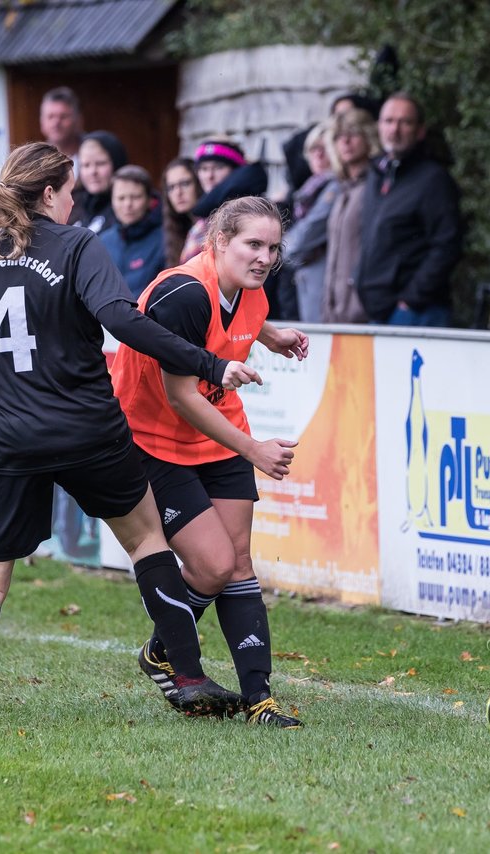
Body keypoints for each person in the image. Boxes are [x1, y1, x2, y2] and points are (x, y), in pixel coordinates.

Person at [0, 142, 262, 735]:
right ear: (50, 193)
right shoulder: (77, 243)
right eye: (70, 190)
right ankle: (185, 674)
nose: (76, 200)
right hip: (85, 427)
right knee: (147, 541)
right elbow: (123, 319)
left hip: (7, 436)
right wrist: (208, 364)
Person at [111, 196, 310, 728]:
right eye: (253, 244)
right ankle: (165, 651)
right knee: (213, 565)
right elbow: (181, 397)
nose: (265, 257)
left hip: (219, 433)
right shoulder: (182, 294)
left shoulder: (247, 283)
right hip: (155, 439)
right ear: (219, 241)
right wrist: (255, 451)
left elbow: (243, 314)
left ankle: (259, 700)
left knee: (239, 562)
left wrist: (274, 334)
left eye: (273, 247)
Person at [355, 92, 462, 326]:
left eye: (405, 122)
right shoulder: (376, 175)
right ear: (379, 126)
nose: (395, 129)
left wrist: (411, 300)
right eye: (389, 121)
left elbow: (447, 245)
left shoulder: (434, 180)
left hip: (416, 313)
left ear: (420, 131)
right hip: (378, 311)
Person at [322, 108, 379, 323]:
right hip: (335, 311)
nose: (345, 141)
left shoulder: (374, 185)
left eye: (353, 133)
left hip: (362, 311)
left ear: (368, 136)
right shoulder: (342, 188)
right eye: (338, 136)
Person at [282, 120, 337, 322]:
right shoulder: (310, 189)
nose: (319, 155)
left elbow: (307, 233)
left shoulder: (336, 187)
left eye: (325, 148)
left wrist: (282, 247)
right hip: (308, 280)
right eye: (313, 149)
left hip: (323, 283)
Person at [99, 165, 165, 298]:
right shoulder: (101, 241)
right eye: (121, 198)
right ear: (112, 201)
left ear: (149, 200)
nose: (128, 204)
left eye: (135, 197)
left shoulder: (166, 239)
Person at [69, 130, 126, 234]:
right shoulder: (71, 206)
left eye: (100, 163)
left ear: (117, 163)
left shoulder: (127, 208)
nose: (93, 172)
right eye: (86, 165)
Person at [161, 157, 199, 267]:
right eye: (171, 187)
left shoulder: (208, 225)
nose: (178, 192)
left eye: (185, 184)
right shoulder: (174, 229)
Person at [40, 86, 83, 169]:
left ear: (78, 120)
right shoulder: (35, 162)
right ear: (42, 121)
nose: (56, 123)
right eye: (50, 116)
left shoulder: (96, 157)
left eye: (63, 116)